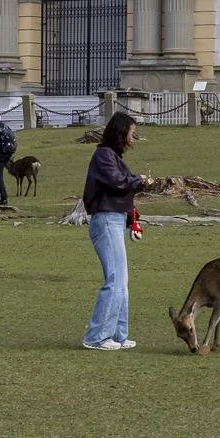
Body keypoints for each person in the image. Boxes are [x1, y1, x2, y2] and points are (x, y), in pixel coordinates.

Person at [80, 111, 154, 351]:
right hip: (105, 220)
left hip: (115, 219)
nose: (133, 140)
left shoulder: (113, 157)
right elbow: (117, 182)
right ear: (121, 133)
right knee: (114, 279)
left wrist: (133, 218)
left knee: (121, 280)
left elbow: (123, 184)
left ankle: (118, 335)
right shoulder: (104, 156)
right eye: (131, 134)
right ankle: (97, 336)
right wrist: (138, 180)